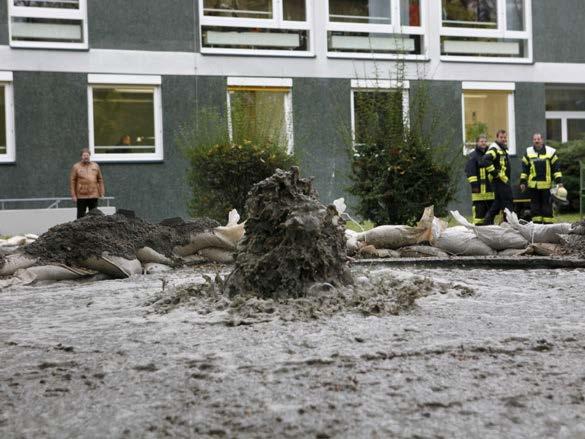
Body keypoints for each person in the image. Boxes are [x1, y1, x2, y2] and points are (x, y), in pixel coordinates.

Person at [519, 133, 563, 224]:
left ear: (542, 140)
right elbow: (525, 169)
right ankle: (537, 226)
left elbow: (556, 168)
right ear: (533, 141)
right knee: (535, 207)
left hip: (546, 186)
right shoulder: (528, 152)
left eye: (538, 139)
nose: (537, 141)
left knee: (547, 206)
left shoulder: (550, 152)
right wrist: (523, 182)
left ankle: (548, 226)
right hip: (533, 186)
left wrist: (559, 181)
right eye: (535, 139)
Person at [480, 129, 514, 224]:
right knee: (508, 202)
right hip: (499, 181)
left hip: (502, 181)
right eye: (501, 137)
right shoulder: (495, 148)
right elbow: (485, 160)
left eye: (504, 137)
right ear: (497, 138)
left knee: (497, 204)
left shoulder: (502, 148)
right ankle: (508, 224)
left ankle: (486, 223)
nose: (503, 139)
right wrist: (495, 173)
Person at [465, 134, 495, 225]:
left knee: (490, 215)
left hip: (490, 191)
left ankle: (490, 233)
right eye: (481, 141)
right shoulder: (473, 155)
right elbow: (470, 172)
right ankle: (478, 231)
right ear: (477, 142)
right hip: (478, 191)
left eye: (485, 141)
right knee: (479, 215)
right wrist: (474, 186)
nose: (483, 143)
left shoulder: (489, 155)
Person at [70, 148, 105, 219]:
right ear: (81, 156)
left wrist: (102, 192)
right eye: (84, 155)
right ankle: (80, 229)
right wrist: (73, 195)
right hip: (81, 195)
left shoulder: (95, 166)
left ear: (89, 156)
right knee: (80, 216)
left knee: (94, 215)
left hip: (94, 194)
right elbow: (72, 181)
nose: (86, 157)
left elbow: (100, 180)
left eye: (87, 155)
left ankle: (94, 229)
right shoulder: (76, 167)